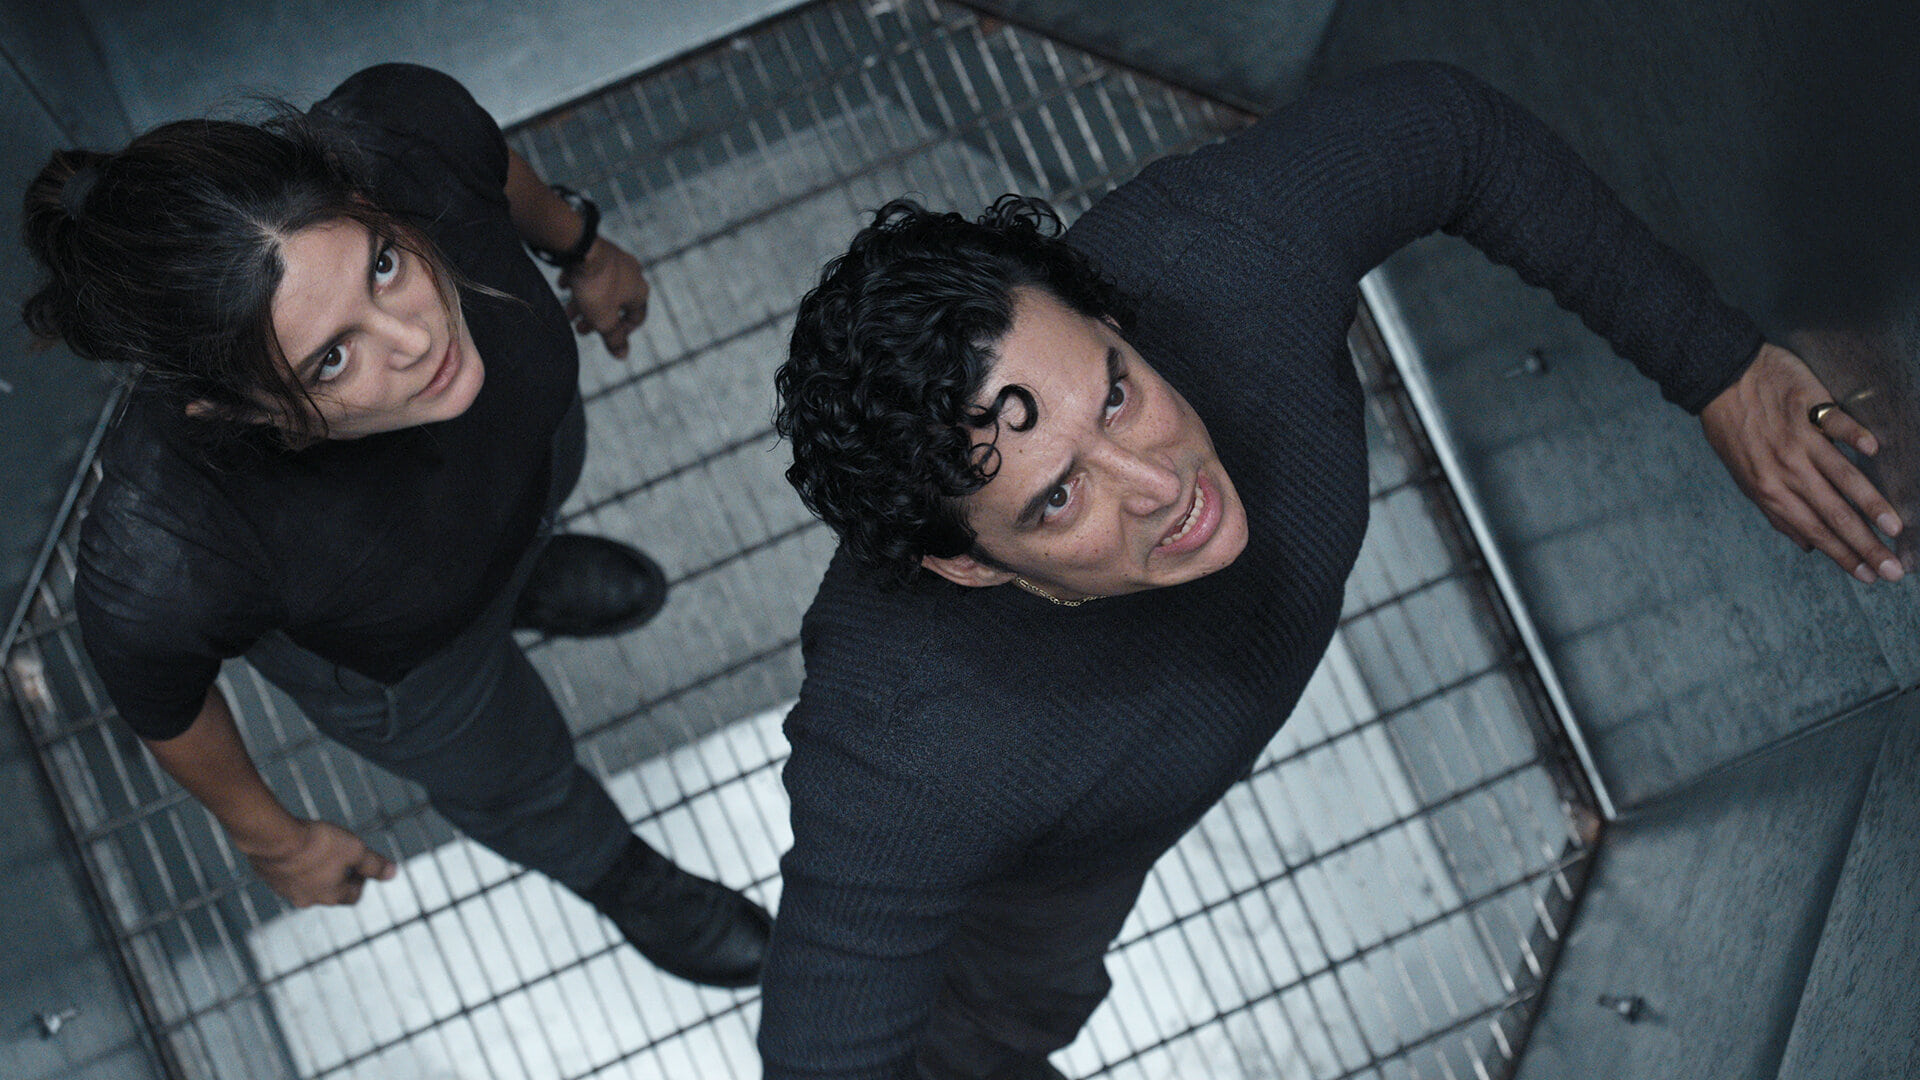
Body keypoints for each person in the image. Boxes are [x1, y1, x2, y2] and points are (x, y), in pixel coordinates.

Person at [760, 61, 1901, 1077]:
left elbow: (1450, 131)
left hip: (1138, 794)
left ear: (1106, 313)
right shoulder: (901, 748)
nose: (1158, 482)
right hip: (1051, 874)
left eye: (1115, 391)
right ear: (966, 564)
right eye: (1058, 497)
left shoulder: (1213, 250)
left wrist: (1715, 364)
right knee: (1001, 1019)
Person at [22, 63, 770, 989]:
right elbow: (162, 701)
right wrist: (275, 840)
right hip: (413, 665)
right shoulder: (169, 542)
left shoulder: (399, 131)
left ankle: (521, 578)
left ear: (367, 197)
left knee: (518, 522)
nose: (419, 339)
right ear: (236, 409)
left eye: (382, 264)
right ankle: (619, 876)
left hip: (517, 490)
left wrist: (582, 247)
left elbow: (483, 160)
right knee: (516, 774)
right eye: (332, 359)